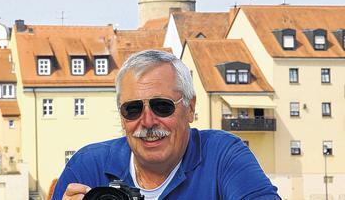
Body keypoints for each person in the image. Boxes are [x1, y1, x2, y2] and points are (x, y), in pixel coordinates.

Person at [52, 50, 280, 200]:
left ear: (190, 108)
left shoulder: (221, 155)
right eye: (132, 109)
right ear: (122, 117)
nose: (148, 121)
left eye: (162, 107)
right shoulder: (88, 166)